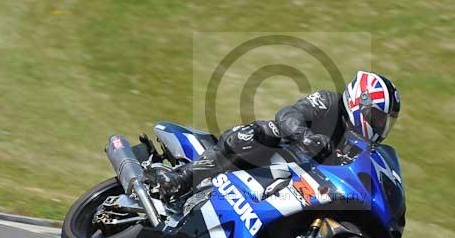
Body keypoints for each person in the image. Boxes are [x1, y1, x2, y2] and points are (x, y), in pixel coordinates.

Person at [155, 70, 400, 200]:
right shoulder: (330, 102)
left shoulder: (361, 147)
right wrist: (303, 136)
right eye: (376, 118)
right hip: (275, 155)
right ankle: (184, 177)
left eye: (384, 122)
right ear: (359, 103)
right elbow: (289, 114)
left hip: (302, 186)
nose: (379, 127)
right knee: (266, 132)